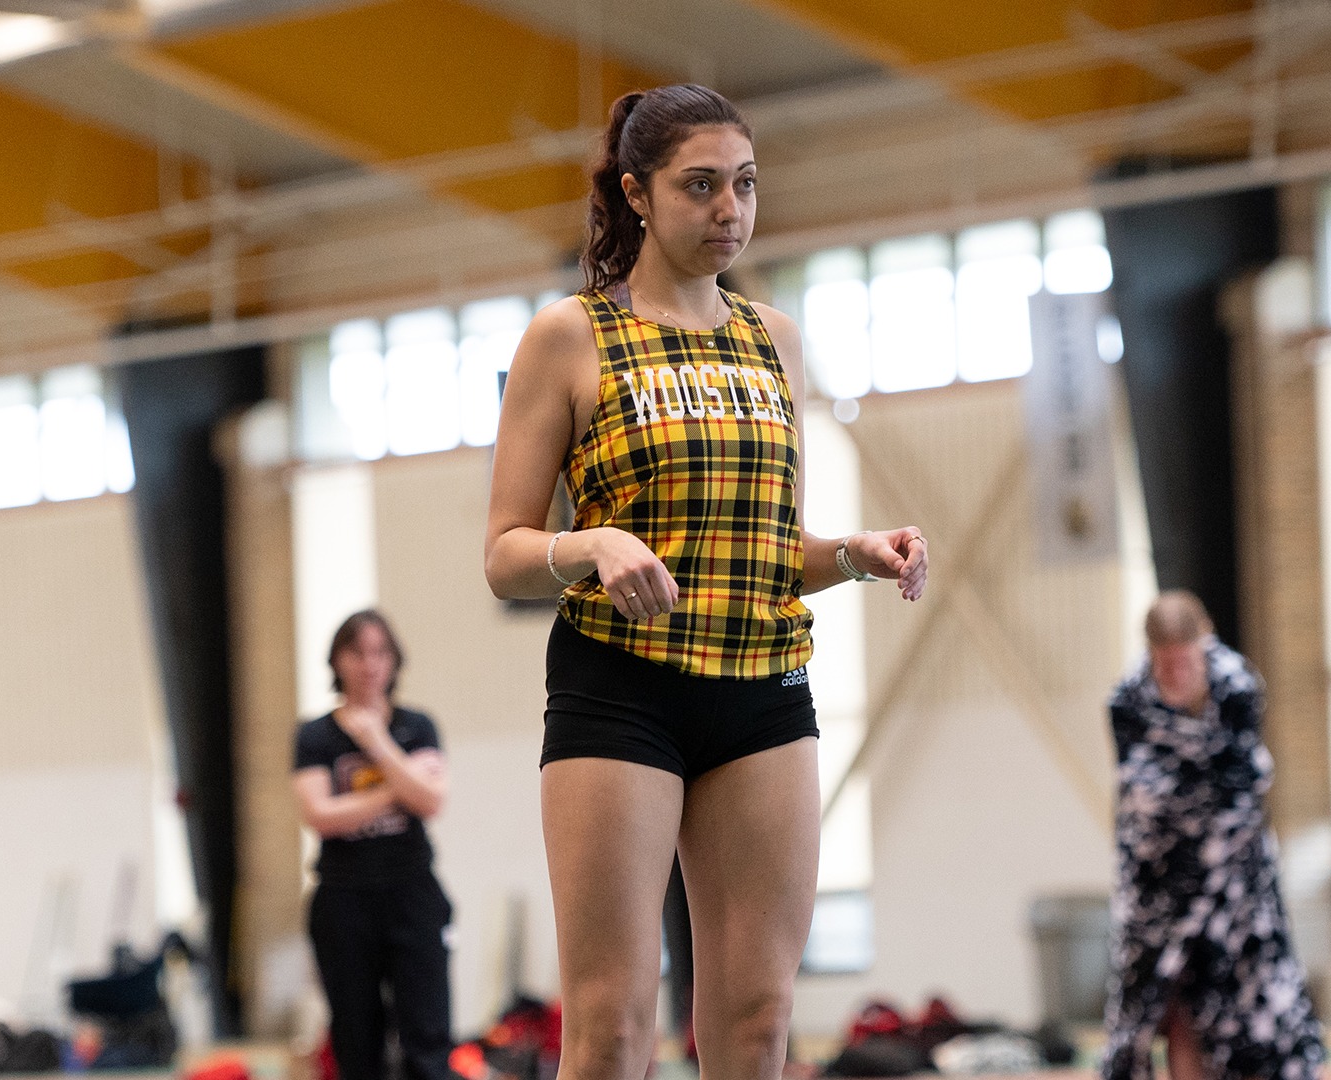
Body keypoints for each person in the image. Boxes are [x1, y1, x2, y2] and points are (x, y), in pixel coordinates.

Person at [484, 84, 928, 1080]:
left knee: (761, 1018)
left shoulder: (774, 341)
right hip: (621, 692)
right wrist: (589, 547)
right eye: (701, 187)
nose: (730, 210)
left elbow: (775, 549)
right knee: (611, 1027)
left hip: (761, 695)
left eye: (745, 185)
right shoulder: (570, 336)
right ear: (637, 194)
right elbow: (505, 552)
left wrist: (857, 552)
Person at [1101, 591, 1326, 1080]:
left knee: (1250, 1016)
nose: (1175, 676)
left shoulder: (1237, 687)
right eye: (1165, 665)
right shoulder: (1127, 702)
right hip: (1158, 884)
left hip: (1236, 885)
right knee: (1175, 1009)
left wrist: (1191, 792)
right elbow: (1140, 798)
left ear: (1204, 646)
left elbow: (1244, 784)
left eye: (1184, 662)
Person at [292, 610, 453, 1080]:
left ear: (394, 660)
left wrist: (378, 744)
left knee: (427, 1038)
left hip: (412, 893)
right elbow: (321, 816)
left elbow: (431, 801)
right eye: (358, 653)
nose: (370, 665)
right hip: (344, 899)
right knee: (357, 1043)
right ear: (338, 660)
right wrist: (395, 792)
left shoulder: (416, 726)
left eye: (380, 652)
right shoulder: (315, 736)